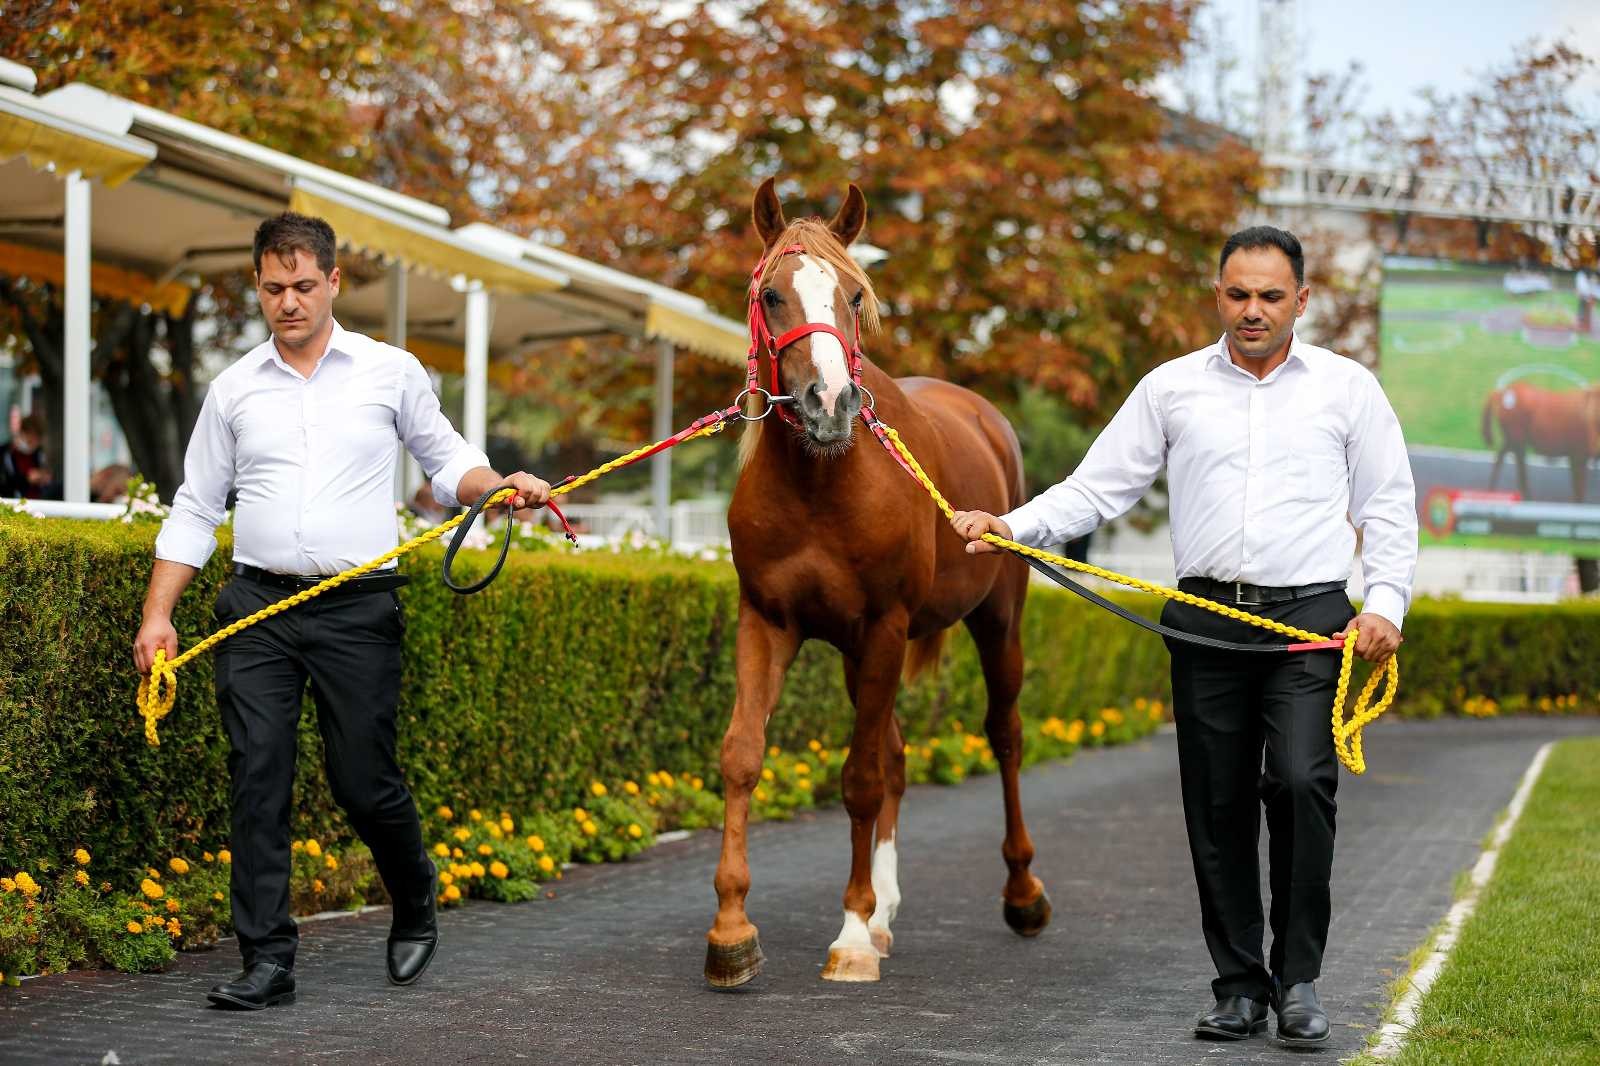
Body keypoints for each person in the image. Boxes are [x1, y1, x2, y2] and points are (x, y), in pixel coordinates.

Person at [952, 226, 1417, 1048]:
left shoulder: (1349, 389)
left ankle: (1299, 980)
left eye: (1271, 296)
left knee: (1303, 784)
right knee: (1217, 800)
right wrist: (1009, 524)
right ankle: (1239, 985)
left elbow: (1388, 506)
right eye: (1238, 294)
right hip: (1203, 616)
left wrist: (1384, 602)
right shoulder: (1171, 388)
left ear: (1301, 302)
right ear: (1218, 296)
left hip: (1309, 620)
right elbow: (1098, 487)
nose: (1253, 310)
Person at [132, 212, 550, 1010]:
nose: (287, 302)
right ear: (258, 288)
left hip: (356, 608)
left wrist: (495, 485)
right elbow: (194, 506)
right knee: (258, 776)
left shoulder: (389, 372)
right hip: (255, 607)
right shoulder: (233, 389)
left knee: (364, 782)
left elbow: (446, 462)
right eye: (272, 288)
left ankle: (415, 893)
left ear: (332, 283)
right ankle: (268, 960)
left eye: (301, 286)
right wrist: (159, 614)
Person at [1, 411, 60, 500]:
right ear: (22, 433)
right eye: (30, 441)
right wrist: (27, 479)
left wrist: (44, 477)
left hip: (37, 503)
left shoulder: (39, 453)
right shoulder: (5, 453)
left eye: (36, 441)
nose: (33, 445)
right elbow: (5, 483)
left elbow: (48, 476)